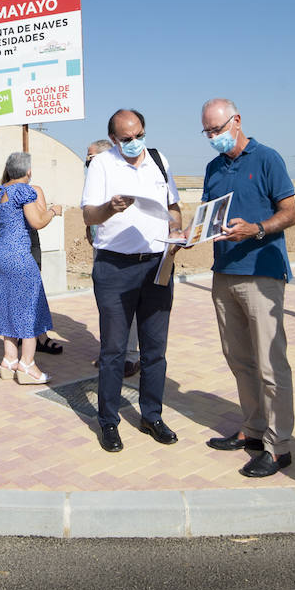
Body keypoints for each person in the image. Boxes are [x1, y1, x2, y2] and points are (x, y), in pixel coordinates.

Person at [198, 99, 295, 478]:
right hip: (224, 273)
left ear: (236, 121)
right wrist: (191, 234)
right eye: (207, 132)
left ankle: (279, 446)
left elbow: (291, 212)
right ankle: (253, 430)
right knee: (240, 360)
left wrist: (256, 229)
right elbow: (209, 215)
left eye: (218, 130)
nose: (213, 138)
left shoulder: (267, 159)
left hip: (262, 273)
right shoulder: (213, 167)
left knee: (271, 363)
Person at [81, 109, 183, 453]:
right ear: (113, 139)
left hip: (157, 265)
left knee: (155, 350)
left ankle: (151, 415)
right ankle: (108, 421)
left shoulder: (158, 159)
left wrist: (176, 230)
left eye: (139, 134)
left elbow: (174, 207)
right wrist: (111, 208)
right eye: (126, 138)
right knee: (113, 351)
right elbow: (89, 214)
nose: (134, 142)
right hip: (115, 269)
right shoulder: (102, 165)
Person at [0, 152, 63, 384]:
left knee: (8, 305)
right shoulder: (24, 191)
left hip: (0, 254)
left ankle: (9, 359)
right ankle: (27, 364)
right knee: (30, 308)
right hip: (19, 256)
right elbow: (37, 222)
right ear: (28, 171)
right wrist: (53, 211)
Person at [85, 139, 139, 378]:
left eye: (90, 156)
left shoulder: (120, 180)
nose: (87, 161)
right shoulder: (95, 180)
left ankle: (130, 356)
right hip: (102, 250)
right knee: (108, 307)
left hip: (123, 253)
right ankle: (111, 352)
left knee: (128, 307)